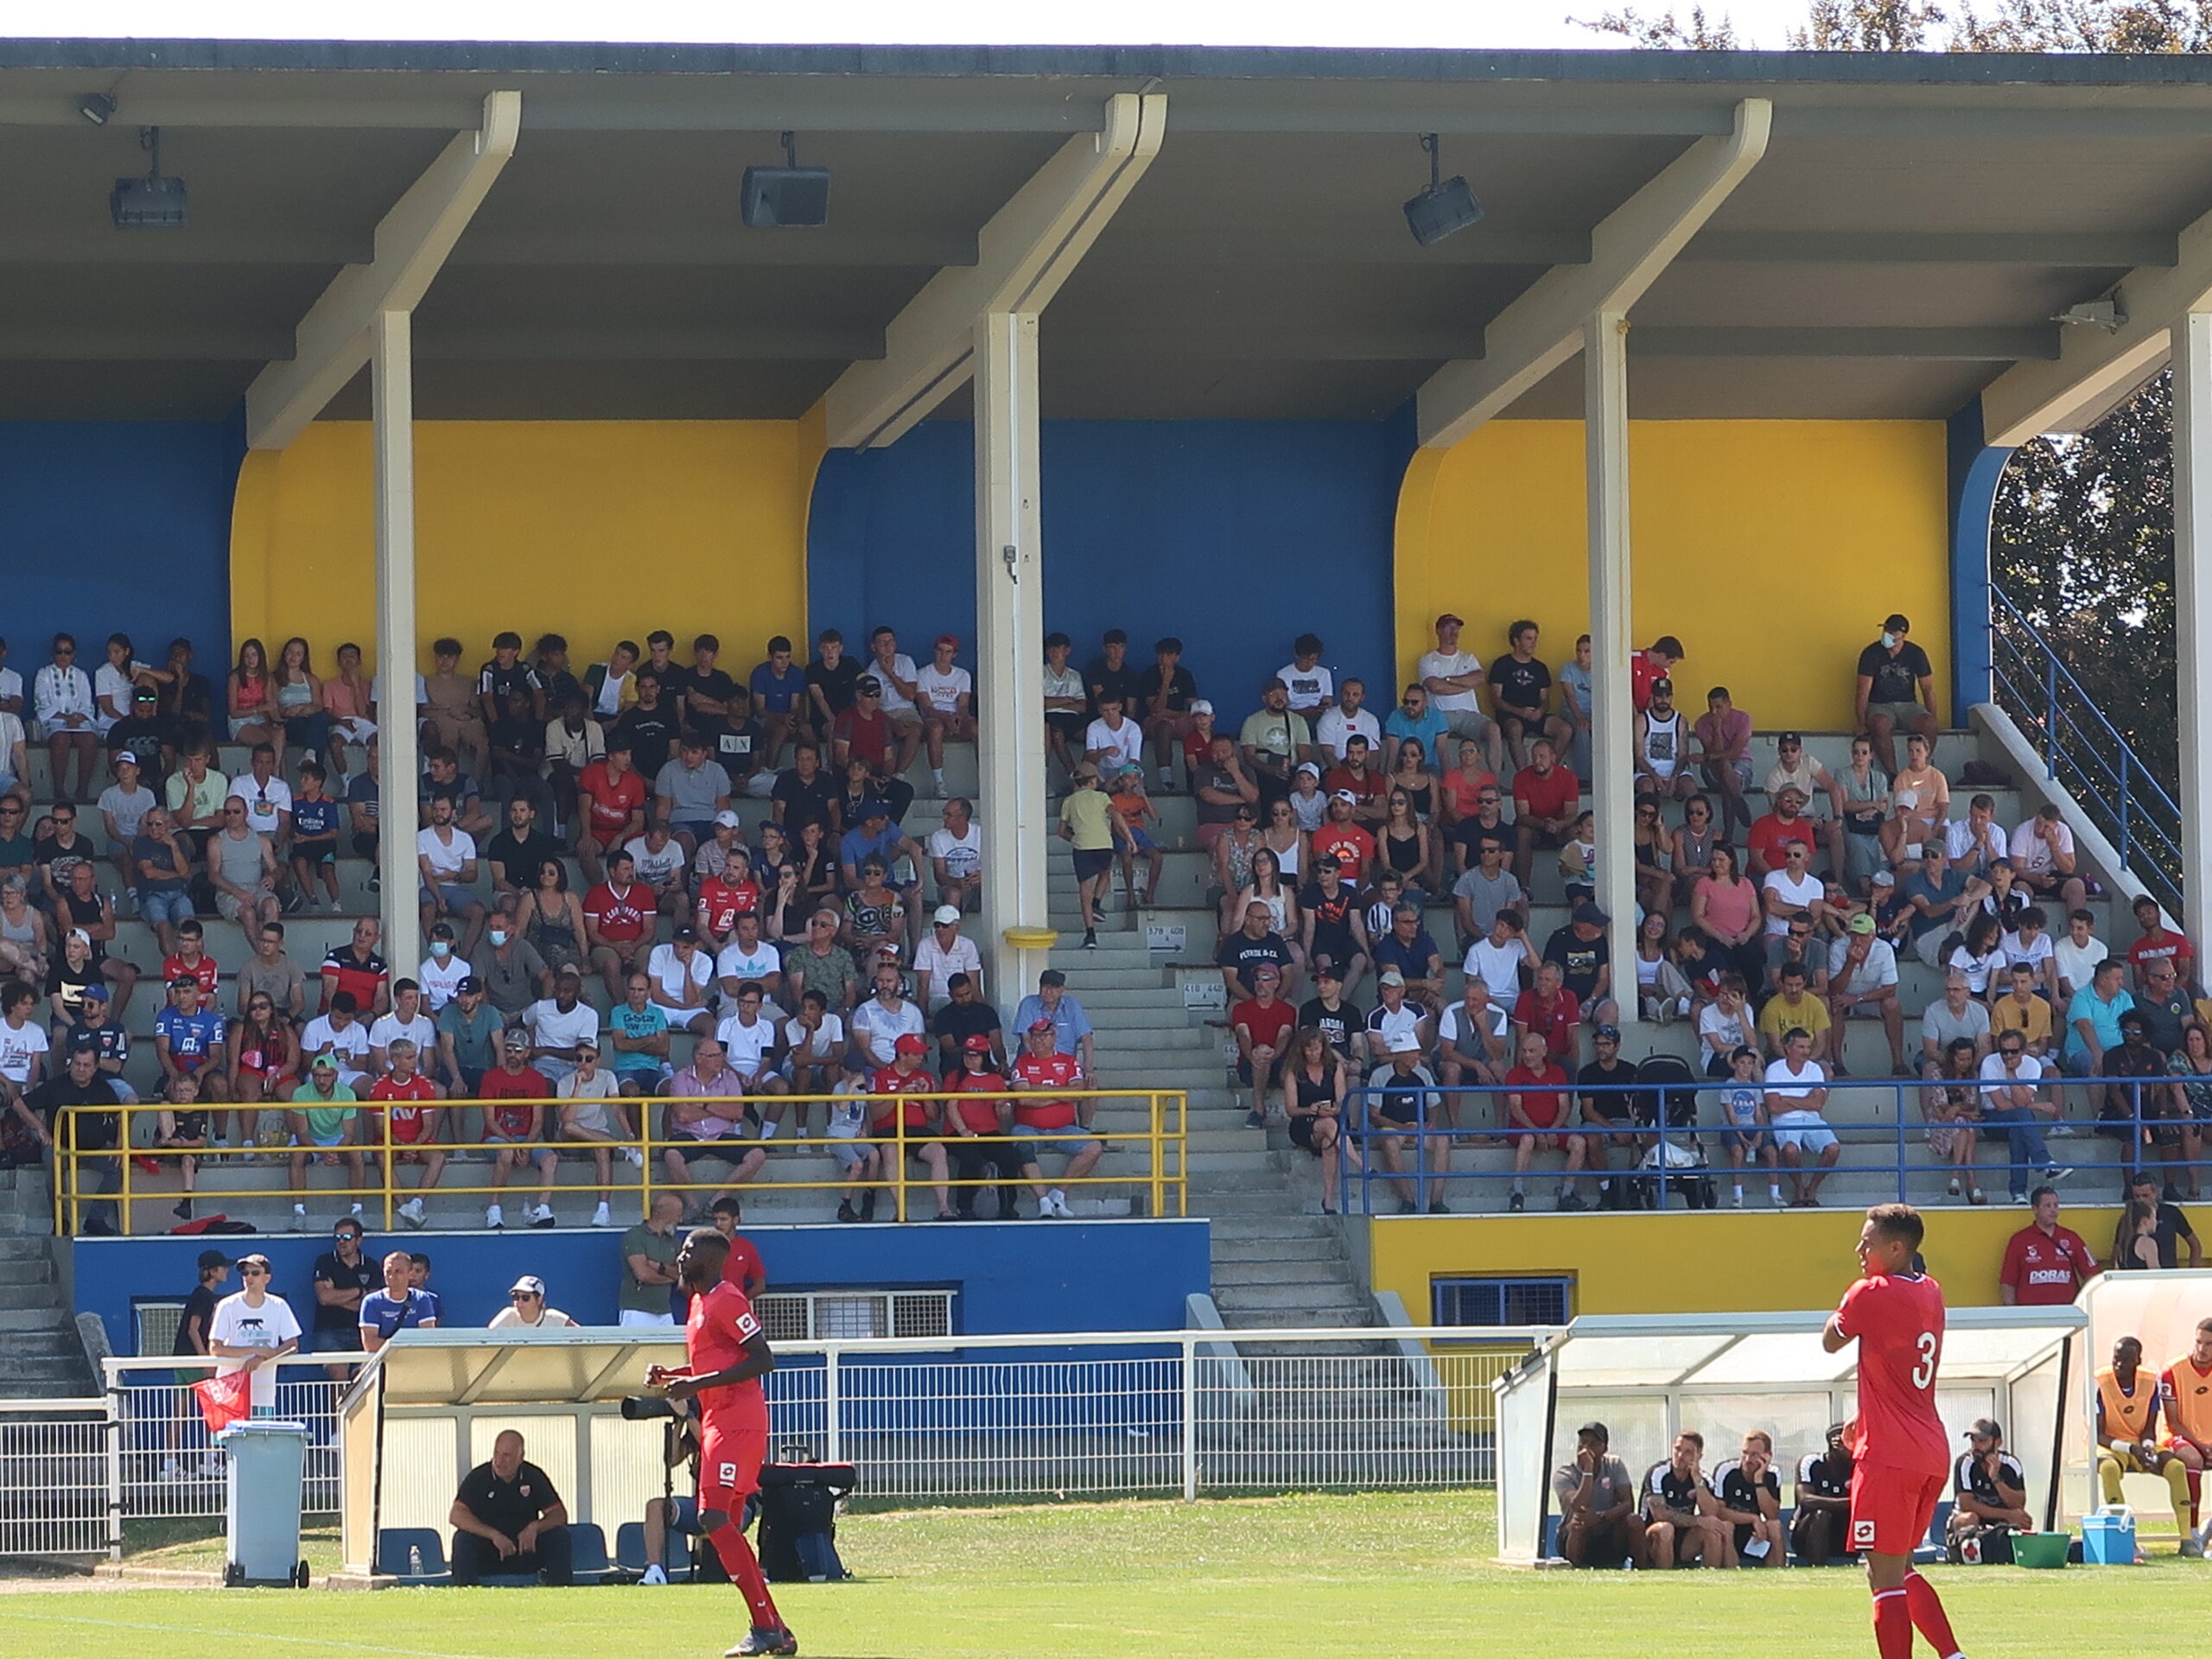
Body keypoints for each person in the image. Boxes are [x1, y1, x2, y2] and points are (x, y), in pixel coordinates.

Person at [1820, 1204, 1964, 1659]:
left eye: (1869, 1241)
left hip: (1889, 1457)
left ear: (1897, 1248)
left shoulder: (1871, 1293)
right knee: (1901, 1570)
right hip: (1929, 1450)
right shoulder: (1932, 1291)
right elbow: (1897, 1359)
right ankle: (1953, 1656)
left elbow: (1830, 1340)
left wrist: (1851, 1298)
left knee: (1882, 1580)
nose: (1859, 1249)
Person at [644, 1229, 796, 1656]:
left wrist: (695, 1383)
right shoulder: (696, 1304)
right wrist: (673, 1377)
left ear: (711, 1261)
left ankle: (766, 1625)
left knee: (713, 1519)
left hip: (737, 1422)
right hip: (716, 1422)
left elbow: (763, 1359)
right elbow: (712, 1363)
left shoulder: (728, 1298)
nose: (681, 1255)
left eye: (689, 1250)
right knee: (721, 1523)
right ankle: (773, 1628)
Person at [2094, 1333, 2199, 1555]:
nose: (2119, 1365)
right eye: (2116, 1358)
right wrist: (2130, 1449)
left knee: (2176, 1467)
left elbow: (2149, 1427)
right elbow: (2099, 1434)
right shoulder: (2101, 1383)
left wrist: (2148, 1447)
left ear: (2138, 1361)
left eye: (2126, 1360)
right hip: (2112, 1445)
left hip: (2139, 1443)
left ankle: (2187, 1541)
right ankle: (2126, 1540)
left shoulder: (2149, 1382)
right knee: (2109, 1469)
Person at [450, 1429, 573, 1587]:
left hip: (525, 1549)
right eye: (497, 1453)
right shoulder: (478, 1478)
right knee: (462, 1539)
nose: (500, 1461)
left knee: (559, 1536)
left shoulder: (533, 1476)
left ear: (520, 1457)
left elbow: (559, 1515)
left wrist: (535, 1527)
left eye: (506, 1456)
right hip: (489, 1551)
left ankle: (560, 1593)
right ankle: (466, 1595)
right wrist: (493, 1535)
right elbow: (457, 1515)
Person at [480, 1027, 559, 1230]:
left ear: (526, 1052)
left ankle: (542, 1208)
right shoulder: (490, 1077)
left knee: (550, 1158)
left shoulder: (536, 1079)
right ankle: (494, 1209)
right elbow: (490, 1120)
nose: (512, 1054)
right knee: (506, 1153)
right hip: (497, 1138)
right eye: (508, 1050)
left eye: (517, 1050)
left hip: (527, 1137)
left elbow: (538, 1120)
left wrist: (527, 1146)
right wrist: (515, 1145)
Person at [161, 1248, 231, 1476]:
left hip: (181, 1358)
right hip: (193, 1359)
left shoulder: (199, 1294)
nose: (227, 1270)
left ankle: (170, 1464)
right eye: (223, 1267)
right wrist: (205, 1360)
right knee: (212, 1409)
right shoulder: (205, 1295)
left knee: (180, 1413)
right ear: (212, 1271)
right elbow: (193, 1328)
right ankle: (210, 1461)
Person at [207, 1252, 302, 1418]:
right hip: (229, 1392)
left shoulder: (279, 1306)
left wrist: (263, 1358)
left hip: (263, 1393)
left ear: (267, 1278)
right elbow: (215, 1348)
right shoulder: (227, 1305)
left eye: (255, 1273)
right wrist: (256, 1350)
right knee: (224, 1443)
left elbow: (292, 1344)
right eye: (245, 1273)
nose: (249, 1277)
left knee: (261, 1442)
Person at [1855, 613, 1941, 776]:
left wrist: (1933, 717)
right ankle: (1894, 775)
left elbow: (1927, 688)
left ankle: (1920, 770)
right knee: (1879, 725)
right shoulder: (1871, 653)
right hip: (1880, 705)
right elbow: (1862, 691)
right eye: (1887, 630)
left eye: (1893, 632)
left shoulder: (1916, 653)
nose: (1888, 634)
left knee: (1929, 725)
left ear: (1903, 635)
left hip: (1909, 705)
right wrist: (1860, 722)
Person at [1551, 1421, 1641, 1568]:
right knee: (1578, 1523)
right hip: (1575, 1533)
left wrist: (1601, 1516)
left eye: (1594, 1444)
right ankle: (1575, 1569)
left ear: (1605, 1448)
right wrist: (1588, 1471)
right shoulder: (1565, 1473)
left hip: (1607, 1530)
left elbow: (1628, 1504)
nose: (1586, 1448)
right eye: (1583, 1442)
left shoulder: (1614, 1465)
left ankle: (1642, 1569)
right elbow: (1579, 1506)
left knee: (1634, 1520)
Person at [1765, 1027, 1840, 1206]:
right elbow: (1773, 1106)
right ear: (1787, 1048)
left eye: (1807, 1047)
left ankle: (1812, 1188)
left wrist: (1789, 1099)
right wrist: (1805, 1100)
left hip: (1812, 1119)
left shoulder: (1814, 1069)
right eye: (1801, 1047)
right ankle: (1799, 1189)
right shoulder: (1774, 1069)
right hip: (1784, 1120)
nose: (1806, 1051)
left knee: (1834, 1149)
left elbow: (1817, 1104)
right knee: (1790, 1150)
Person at [1640, 1431, 1731, 1568]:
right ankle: (1665, 1581)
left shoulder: (1703, 1479)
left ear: (1698, 1456)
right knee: (1666, 1529)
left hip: (1685, 1537)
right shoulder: (1658, 1473)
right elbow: (1660, 1515)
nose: (1680, 1456)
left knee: (1713, 1530)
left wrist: (1696, 1478)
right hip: (1655, 1536)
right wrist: (1698, 1520)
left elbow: (1711, 1513)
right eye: (1677, 1449)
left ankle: (1712, 1583)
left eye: (1688, 1452)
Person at [1999, 1185, 2098, 1304]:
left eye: (2056, 1205)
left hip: (2066, 1313)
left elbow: (2092, 1274)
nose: (2053, 1210)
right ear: (2035, 1209)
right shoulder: (2019, 1240)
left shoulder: (2072, 1238)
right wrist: (2013, 1316)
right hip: (2032, 1315)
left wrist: (2081, 1303)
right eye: (2048, 1206)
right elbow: (2008, 1282)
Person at [1948, 1418, 2034, 1543]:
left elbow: (2018, 1504)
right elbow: (1967, 1505)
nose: (1975, 1445)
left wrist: (1996, 1479)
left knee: (2023, 1520)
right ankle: (1966, 1553)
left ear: (1997, 1442)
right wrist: (2007, 1515)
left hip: (1999, 1520)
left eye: (1982, 1441)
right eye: (1973, 1440)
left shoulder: (2011, 1464)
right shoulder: (1965, 1463)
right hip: (1970, 1520)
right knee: (1969, 1519)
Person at [1791, 1421, 1858, 1567]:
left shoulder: (1860, 1467)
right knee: (1822, 1514)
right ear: (1833, 1442)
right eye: (1848, 1439)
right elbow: (1806, 1500)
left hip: (1845, 1532)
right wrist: (1852, 1503)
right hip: (1808, 1534)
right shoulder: (1811, 1463)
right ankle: (1817, 1567)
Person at [620, 1192, 686, 1326]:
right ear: (662, 1213)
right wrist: (670, 1278)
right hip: (636, 1311)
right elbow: (643, 1274)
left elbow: (682, 1274)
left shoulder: (673, 1241)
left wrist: (658, 1267)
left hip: (665, 1311)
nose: (680, 1221)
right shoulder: (635, 1236)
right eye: (678, 1215)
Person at [358, 1248, 439, 1353]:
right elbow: (370, 1344)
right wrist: (408, 1347)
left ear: (410, 1274)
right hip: (385, 1364)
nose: (392, 1276)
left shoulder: (421, 1299)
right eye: (388, 1271)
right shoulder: (371, 1302)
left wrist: (394, 1347)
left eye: (398, 1272)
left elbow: (427, 1339)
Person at [490, 1274, 575, 1329]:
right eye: (516, 1297)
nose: (519, 1302)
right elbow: (488, 1342)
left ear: (539, 1300)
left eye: (525, 1298)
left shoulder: (555, 1319)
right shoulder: (507, 1316)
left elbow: (583, 1340)